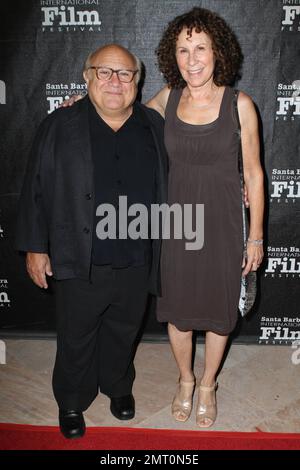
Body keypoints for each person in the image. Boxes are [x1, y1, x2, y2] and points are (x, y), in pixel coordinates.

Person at [15, 44, 168, 439]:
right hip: (80, 256)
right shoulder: (60, 125)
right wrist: (35, 247)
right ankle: (71, 399)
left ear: (137, 81)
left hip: (137, 255)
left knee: (124, 328)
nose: (115, 82)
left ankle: (118, 387)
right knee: (76, 334)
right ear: (87, 77)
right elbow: (35, 188)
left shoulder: (154, 126)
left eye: (125, 74)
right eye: (105, 72)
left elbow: (190, 170)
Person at [146, 7, 264, 427]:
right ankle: (185, 379)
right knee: (177, 310)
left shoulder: (240, 104)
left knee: (217, 310)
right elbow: (121, 121)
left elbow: (253, 172)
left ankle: (209, 384)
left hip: (222, 224)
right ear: (172, 55)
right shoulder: (166, 98)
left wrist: (256, 237)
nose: (192, 59)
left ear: (218, 53)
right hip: (176, 224)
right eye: (183, 49)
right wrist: (82, 103)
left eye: (200, 48)